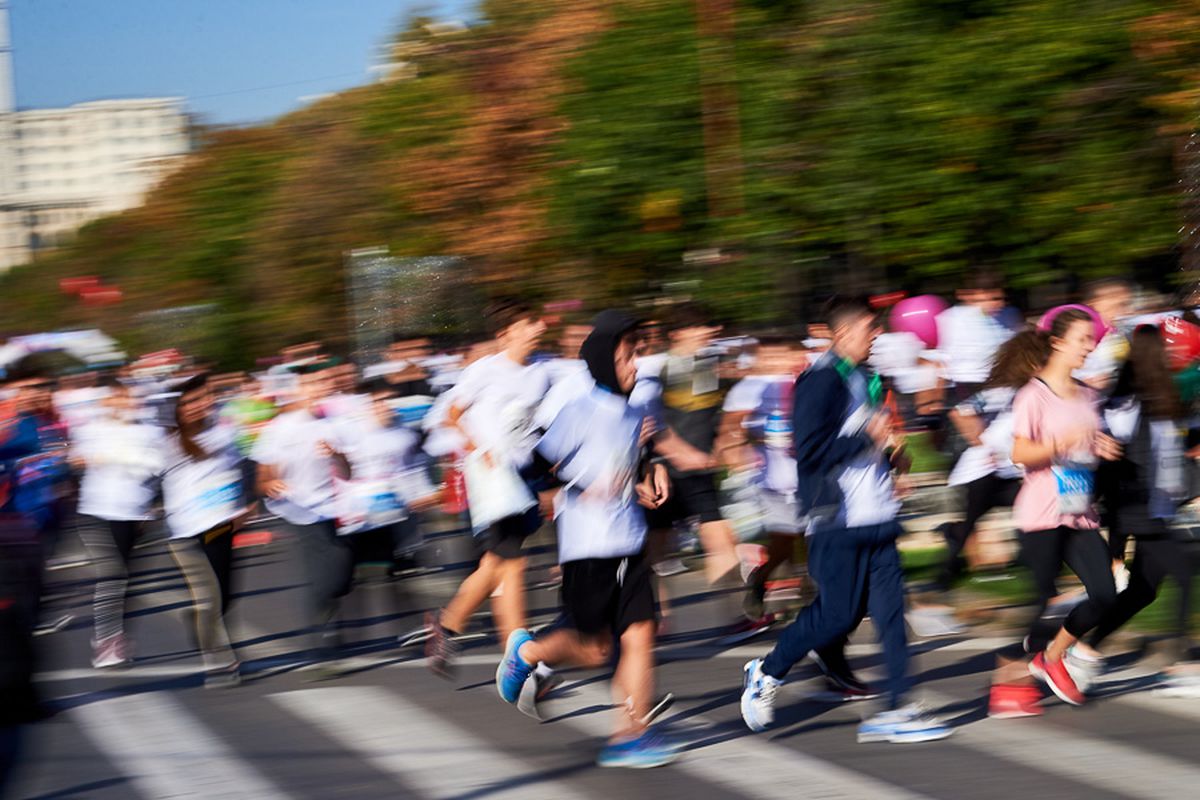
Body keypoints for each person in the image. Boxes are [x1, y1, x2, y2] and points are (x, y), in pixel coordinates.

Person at [740, 296, 953, 744]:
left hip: (878, 516)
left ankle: (896, 707)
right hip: (836, 520)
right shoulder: (818, 381)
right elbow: (811, 451)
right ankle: (767, 670)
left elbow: (868, 439)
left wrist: (894, 458)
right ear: (840, 334)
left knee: (892, 616)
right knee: (836, 615)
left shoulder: (867, 378)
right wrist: (864, 439)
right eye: (868, 329)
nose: (876, 336)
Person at [494, 310, 677, 768]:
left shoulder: (633, 412)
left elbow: (626, 460)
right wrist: (570, 488)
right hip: (589, 548)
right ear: (602, 364)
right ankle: (527, 651)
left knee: (640, 635)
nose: (637, 364)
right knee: (594, 650)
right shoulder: (581, 411)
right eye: (627, 357)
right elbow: (531, 464)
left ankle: (629, 735)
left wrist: (649, 474)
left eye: (638, 354)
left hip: (629, 542)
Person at [990, 308, 1122, 714]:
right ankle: (1006, 682)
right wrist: (1061, 443)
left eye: (1091, 340)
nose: (1090, 346)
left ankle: (1050, 658)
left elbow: (1087, 442)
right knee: (1041, 604)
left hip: (1079, 511)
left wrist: (1101, 448)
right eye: (1083, 339)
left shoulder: (1087, 393)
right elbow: (1020, 454)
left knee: (1105, 594)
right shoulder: (1033, 394)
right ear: (1058, 342)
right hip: (1042, 512)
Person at [425, 299, 551, 678]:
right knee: (511, 562)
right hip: (491, 479)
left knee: (497, 563)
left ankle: (446, 627)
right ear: (507, 333)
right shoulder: (485, 370)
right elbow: (451, 416)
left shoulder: (541, 372)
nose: (539, 326)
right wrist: (479, 450)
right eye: (530, 322)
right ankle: (516, 653)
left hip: (525, 475)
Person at [1083, 326, 1193, 665]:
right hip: (1137, 511)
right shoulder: (1126, 403)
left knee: (1144, 591)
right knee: (1186, 577)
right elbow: (1111, 461)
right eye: (1167, 350)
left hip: (1158, 509)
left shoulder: (1165, 396)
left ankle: (1085, 647)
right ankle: (1180, 665)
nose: (1175, 354)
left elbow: (1169, 452)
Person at [936, 330, 1049, 589]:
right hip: (982, 471)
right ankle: (946, 571)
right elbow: (960, 412)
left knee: (1030, 509)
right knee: (972, 520)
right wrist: (984, 442)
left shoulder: (1036, 392)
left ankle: (1037, 569)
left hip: (1010, 470)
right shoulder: (1004, 391)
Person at [252, 364, 347, 666]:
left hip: (332, 507)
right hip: (297, 509)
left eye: (321, 383)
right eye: (309, 385)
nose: (316, 390)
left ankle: (327, 618)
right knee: (320, 576)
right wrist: (270, 484)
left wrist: (336, 455)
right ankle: (318, 643)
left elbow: (348, 471)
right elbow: (262, 476)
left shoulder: (333, 424)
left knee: (340, 573)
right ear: (296, 390)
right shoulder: (280, 427)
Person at [161, 374, 252, 688]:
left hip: (221, 526)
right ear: (176, 409)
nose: (197, 406)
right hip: (186, 534)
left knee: (225, 598)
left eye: (203, 398)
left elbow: (242, 469)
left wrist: (246, 504)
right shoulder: (167, 442)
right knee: (210, 598)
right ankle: (218, 662)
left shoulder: (226, 433)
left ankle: (199, 621)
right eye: (188, 402)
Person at [72, 379, 164, 668]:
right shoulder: (91, 429)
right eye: (117, 398)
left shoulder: (151, 431)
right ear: (106, 401)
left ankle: (117, 637)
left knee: (127, 581)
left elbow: (160, 468)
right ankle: (106, 642)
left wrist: (151, 487)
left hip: (136, 513)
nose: (125, 403)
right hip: (97, 511)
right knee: (112, 577)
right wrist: (91, 458)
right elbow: (76, 459)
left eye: (130, 398)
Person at [935, 272, 1012, 403]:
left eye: (999, 299)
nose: (998, 304)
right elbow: (943, 358)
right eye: (991, 299)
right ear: (970, 296)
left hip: (992, 384)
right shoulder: (954, 318)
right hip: (968, 384)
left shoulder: (994, 321)